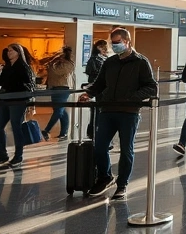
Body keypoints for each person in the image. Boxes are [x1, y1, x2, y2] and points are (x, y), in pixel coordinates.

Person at [80, 28, 158, 200]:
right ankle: (105, 176)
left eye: (117, 42)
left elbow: (152, 87)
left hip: (129, 112)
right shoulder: (110, 62)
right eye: (112, 43)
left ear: (127, 41)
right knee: (100, 146)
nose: (114, 46)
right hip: (107, 110)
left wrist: (132, 97)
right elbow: (100, 83)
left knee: (126, 149)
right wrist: (89, 93)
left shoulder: (140, 62)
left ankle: (122, 184)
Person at [0, 44, 36, 171]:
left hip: (17, 101)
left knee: (16, 127)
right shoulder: (8, 66)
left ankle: (18, 156)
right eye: (8, 50)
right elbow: (0, 82)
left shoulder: (24, 67)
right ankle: (2, 155)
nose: (8, 53)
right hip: (4, 100)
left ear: (18, 52)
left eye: (11, 51)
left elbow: (28, 84)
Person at [42, 46, 75, 141]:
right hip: (55, 88)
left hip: (63, 88)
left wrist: (52, 63)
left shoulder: (68, 65)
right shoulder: (58, 63)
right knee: (61, 111)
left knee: (58, 110)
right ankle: (63, 133)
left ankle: (47, 130)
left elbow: (57, 72)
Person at [84, 40, 109, 139]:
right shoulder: (94, 59)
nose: (106, 50)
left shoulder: (104, 59)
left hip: (103, 89)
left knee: (101, 111)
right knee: (98, 111)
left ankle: (97, 132)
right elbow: (91, 73)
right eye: (103, 47)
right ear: (98, 47)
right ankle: (94, 132)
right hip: (98, 89)